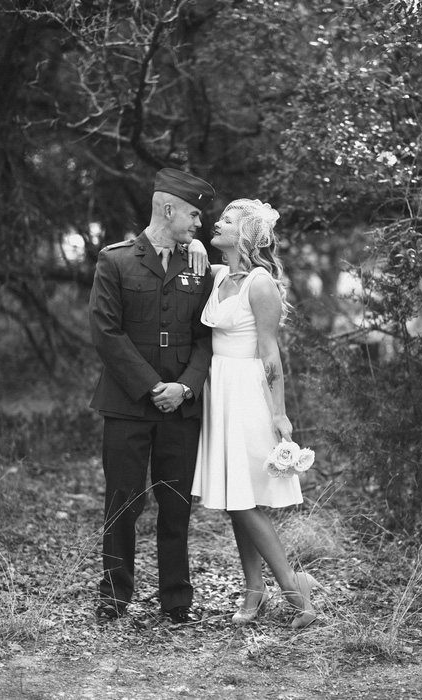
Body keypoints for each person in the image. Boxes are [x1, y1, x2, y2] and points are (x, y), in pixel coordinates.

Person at [89, 167, 215, 624]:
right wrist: (151, 387)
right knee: (123, 500)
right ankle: (114, 595)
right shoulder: (116, 260)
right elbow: (105, 332)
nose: (199, 223)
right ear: (168, 209)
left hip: (180, 407)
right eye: (193, 213)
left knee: (176, 504)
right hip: (127, 405)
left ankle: (176, 600)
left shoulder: (199, 266)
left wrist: (184, 386)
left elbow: (207, 337)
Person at [191, 198, 320, 629]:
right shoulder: (222, 274)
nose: (216, 222)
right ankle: (254, 591)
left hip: (248, 394)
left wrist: (279, 414)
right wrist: (192, 249)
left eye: (226, 220)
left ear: (245, 234)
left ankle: (296, 597)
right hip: (219, 391)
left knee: (246, 503)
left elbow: (271, 356)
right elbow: (188, 261)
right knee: (235, 500)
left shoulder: (260, 283)